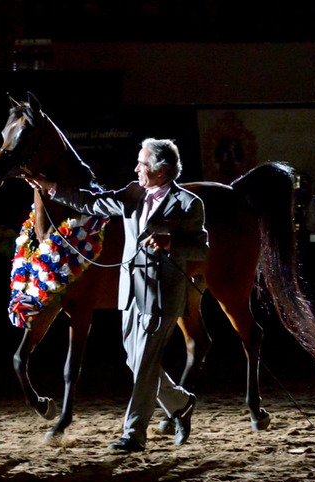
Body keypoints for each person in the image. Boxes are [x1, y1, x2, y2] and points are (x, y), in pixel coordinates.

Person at [27, 138, 209, 452]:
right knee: (135, 360)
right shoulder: (132, 193)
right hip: (130, 291)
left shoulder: (188, 203)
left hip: (163, 294)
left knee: (146, 361)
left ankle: (134, 434)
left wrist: (171, 244)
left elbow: (201, 249)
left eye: (142, 163)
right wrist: (51, 188)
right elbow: (91, 202)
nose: (136, 168)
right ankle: (180, 402)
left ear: (162, 169)